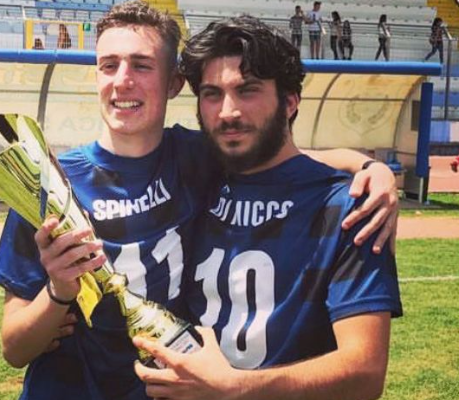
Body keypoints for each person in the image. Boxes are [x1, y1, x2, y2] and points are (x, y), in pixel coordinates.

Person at [0, 2, 399, 400]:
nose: (122, 80)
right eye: (109, 65)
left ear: (174, 84)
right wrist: (59, 291)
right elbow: (14, 349)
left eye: (142, 65)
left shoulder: (196, 158)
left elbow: (286, 158)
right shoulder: (51, 186)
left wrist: (370, 168)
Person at [134, 15, 402, 400]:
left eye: (248, 90)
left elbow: (365, 374)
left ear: (290, 101)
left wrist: (235, 388)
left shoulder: (349, 207)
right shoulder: (197, 175)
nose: (227, 111)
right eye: (212, 93)